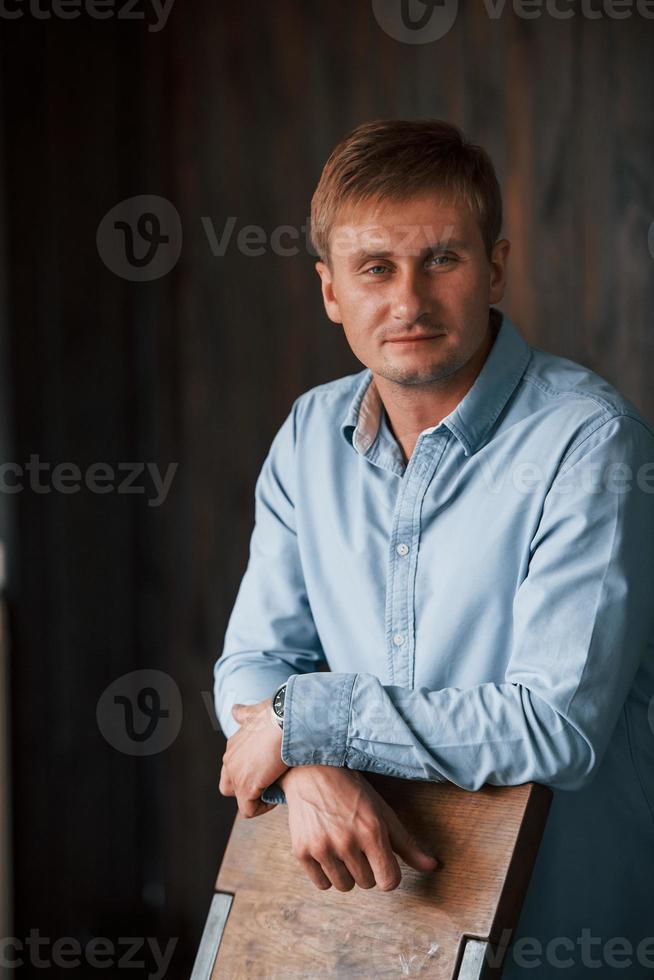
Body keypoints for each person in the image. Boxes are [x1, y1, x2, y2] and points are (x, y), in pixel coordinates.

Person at [213, 119, 654, 979]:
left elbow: (552, 724)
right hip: (364, 940)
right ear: (331, 291)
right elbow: (252, 665)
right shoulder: (308, 436)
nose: (408, 302)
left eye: (441, 260)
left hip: (563, 945)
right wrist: (307, 769)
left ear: (493, 266)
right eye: (374, 268)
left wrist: (305, 722)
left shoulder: (591, 443)